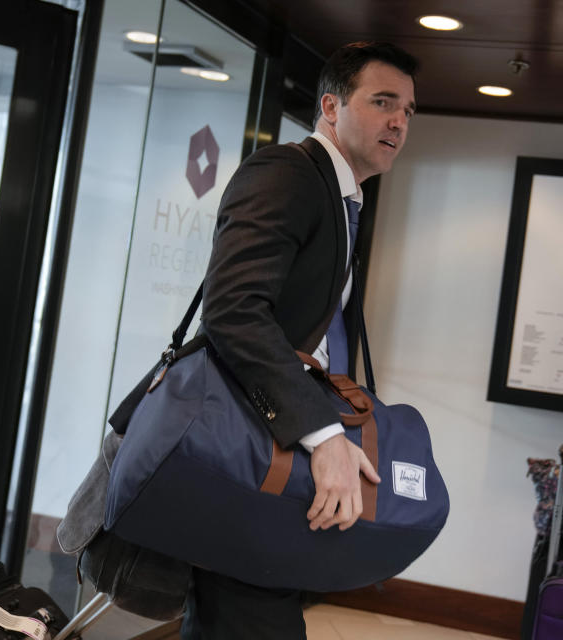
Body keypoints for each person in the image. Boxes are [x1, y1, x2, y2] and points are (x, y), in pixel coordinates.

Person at [178, 42, 417, 639]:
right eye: (383, 101)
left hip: (273, 451)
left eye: (409, 110)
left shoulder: (342, 197)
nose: (398, 121)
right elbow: (232, 311)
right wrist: (324, 433)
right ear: (331, 107)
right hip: (249, 446)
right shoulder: (286, 171)